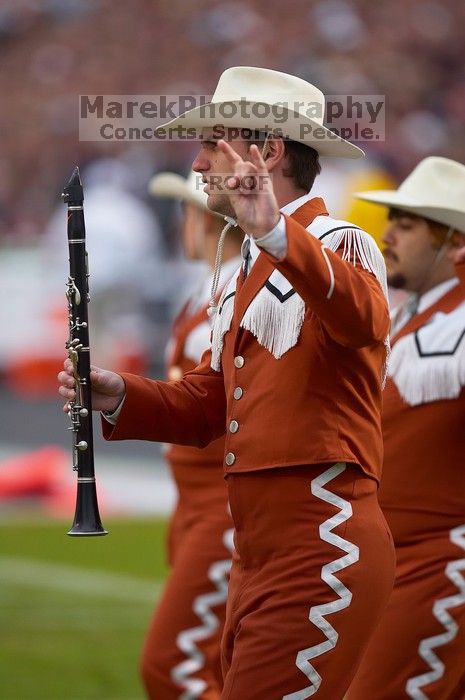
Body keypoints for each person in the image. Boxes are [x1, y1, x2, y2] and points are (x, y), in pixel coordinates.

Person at [59, 66, 395, 699]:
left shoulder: (339, 239)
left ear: (266, 152)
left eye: (214, 142)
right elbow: (211, 404)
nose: (199, 160)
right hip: (261, 548)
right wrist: (121, 393)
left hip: (323, 540)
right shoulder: (245, 263)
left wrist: (274, 231)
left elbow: (363, 318)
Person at [347, 156, 465, 700]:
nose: (387, 236)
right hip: (395, 560)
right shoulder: (411, 313)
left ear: (456, 244)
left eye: (407, 224)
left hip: (442, 561)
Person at [140, 169, 242, 699]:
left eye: (187, 209)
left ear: (205, 218)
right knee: (215, 667)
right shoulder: (202, 291)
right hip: (194, 502)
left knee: (172, 665)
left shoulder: (228, 298)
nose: (182, 222)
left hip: (221, 507)